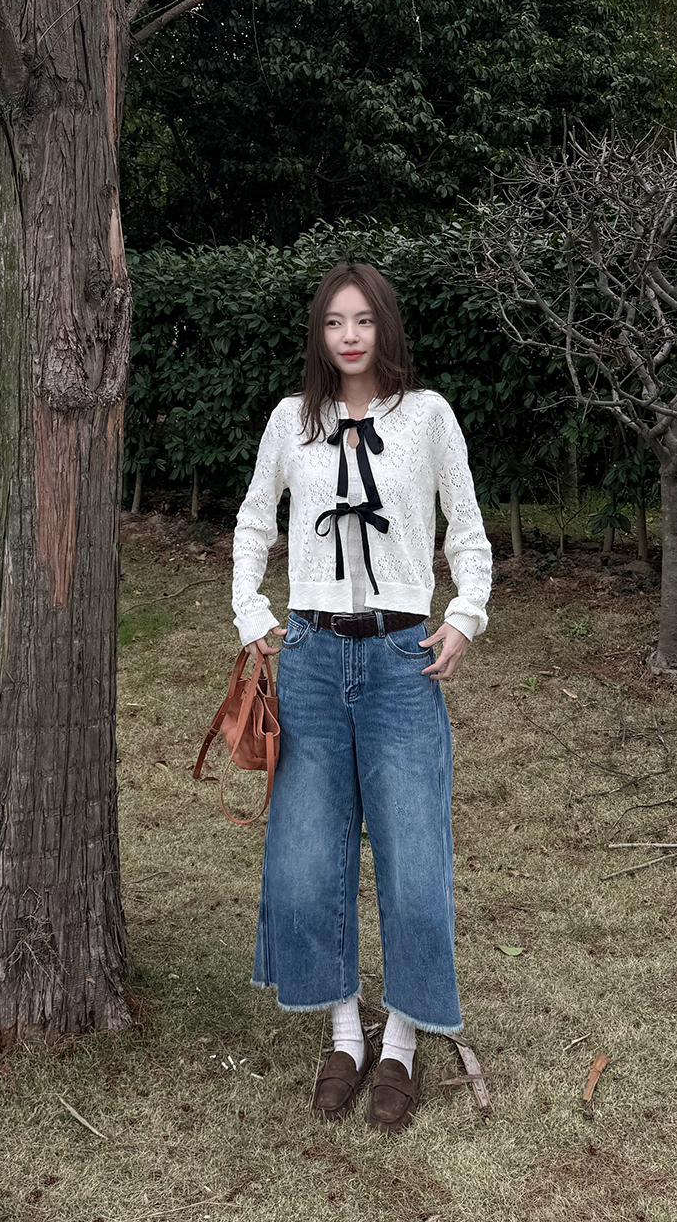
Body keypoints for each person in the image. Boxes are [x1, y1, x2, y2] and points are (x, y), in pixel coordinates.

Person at [232, 261, 493, 1136]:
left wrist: (465, 615)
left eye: (364, 321)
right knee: (309, 859)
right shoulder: (291, 421)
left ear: (386, 327)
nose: (349, 336)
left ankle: (403, 1043)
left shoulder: (428, 416)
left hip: (401, 662)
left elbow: (467, 528)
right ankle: (346, 1033)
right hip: (310, 659)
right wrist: (250, 612)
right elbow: (253, 520)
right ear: (320, 334)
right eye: (335, 322)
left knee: (415, 864)